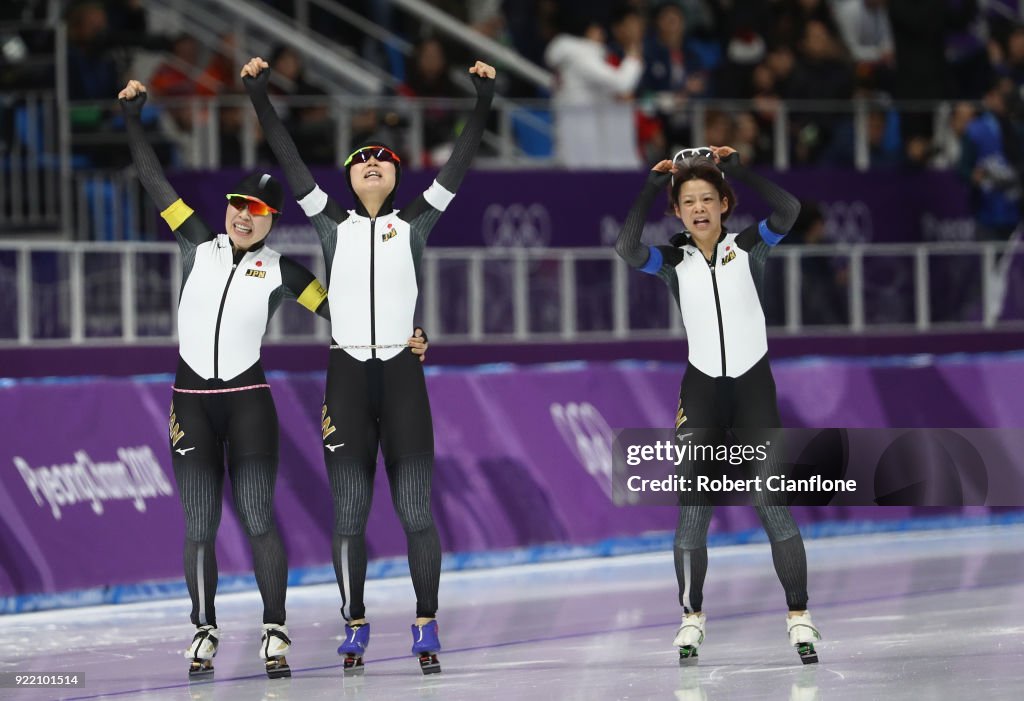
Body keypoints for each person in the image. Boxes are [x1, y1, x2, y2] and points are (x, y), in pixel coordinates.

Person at [118, 78, 430, 680]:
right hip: (190, 400)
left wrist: (409, 336)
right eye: (239, 205)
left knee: (258, 515)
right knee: (199, 524)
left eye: (258, 211)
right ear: (228, 208)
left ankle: (274, 628)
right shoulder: (194, 242)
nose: (244, 216)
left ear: (271, 222)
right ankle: (204, 628)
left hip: (247, 401)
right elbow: (155, 182)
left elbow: (346, 311)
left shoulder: (284, 270)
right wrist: (134, 119)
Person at [241, 54, 495, 675]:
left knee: (415, 512)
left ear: (397, 175)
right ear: (351, 181)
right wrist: (259, 95)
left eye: (382, 157)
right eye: (361, 159)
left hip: (402, 380)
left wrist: (483, 101)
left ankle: (426, 618)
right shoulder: (331, 225)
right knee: (349, 515)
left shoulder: (415, 223)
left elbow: (458, 167)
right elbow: (290, 159)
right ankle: (353, 621)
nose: (371, 162)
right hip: (348, 379)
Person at [614, 145, 822, 665]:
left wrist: (740, 169)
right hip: (702, 394)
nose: (700, 207)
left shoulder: (750, 247)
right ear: (678, 211)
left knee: (771, 505)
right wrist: (647, 186)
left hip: (753, 391)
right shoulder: (672, 262)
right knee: (693, 512)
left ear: (725, 204)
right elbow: (625, 247)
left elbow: (789, 211)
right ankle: (691, 617)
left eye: (709, 197)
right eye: (689, 201)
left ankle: (800, 617)